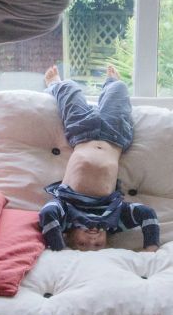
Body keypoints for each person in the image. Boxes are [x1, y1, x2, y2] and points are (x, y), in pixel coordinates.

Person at [38, 64, 160, 252]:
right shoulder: (114, 218)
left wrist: (59, 250)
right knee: (119, 89)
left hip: (82, 132)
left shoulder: (66, 213)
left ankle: (55, 84)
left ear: (68, 235)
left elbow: (47, 214)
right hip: (115, 136)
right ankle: (111, 83)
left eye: (82, 244)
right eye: (98, 245)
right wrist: (151, 248)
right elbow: (147, 214)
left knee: (68, 88)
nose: (92, 239)